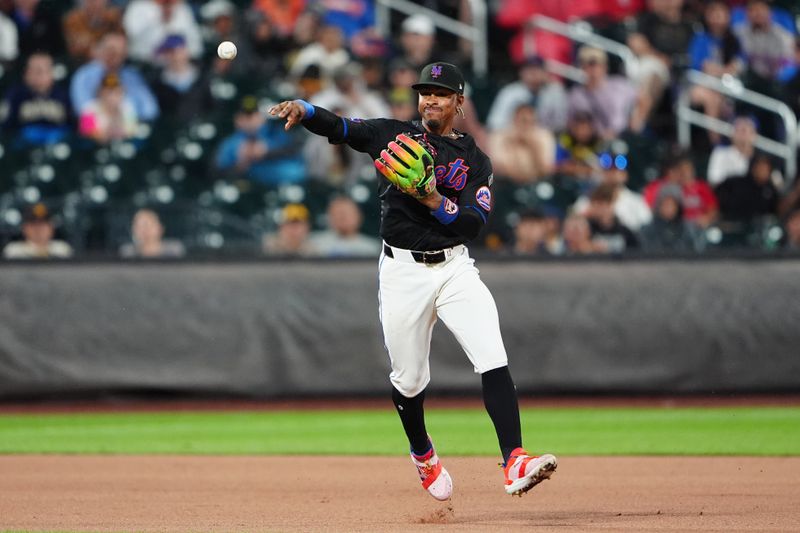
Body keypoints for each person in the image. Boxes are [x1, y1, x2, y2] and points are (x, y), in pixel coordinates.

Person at [269, 61, 557, 500]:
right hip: (402, 270)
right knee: (408, 380)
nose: (430, 99)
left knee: (491, 355)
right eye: (425, 92)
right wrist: (306, 110)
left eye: (441, 93)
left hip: (454, 266)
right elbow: (345, 128)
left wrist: (432, 198)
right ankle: (422, 451)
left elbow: (472, 225)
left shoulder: (474, 160)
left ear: (459, 102)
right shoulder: (392, 134)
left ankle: (514, 457)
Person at [215, 95, 305, 186]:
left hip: (283, 184)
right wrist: (241, 164)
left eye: (255, 115)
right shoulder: (231, 143)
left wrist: (267, 152)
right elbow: (218, 174)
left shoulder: (274, 131)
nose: (252, 120)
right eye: (247, 116)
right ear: (237, 119)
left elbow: (294, 152)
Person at [70, 31, 159, 122]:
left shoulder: (132, 76)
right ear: (102, 50)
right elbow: (82, 111)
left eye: (120, 52)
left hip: (131, 127)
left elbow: (150, 109)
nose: (114, 56)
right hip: (97, 129)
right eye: (111, 50)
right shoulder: (84, 76)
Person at [567, 46, 650, 140]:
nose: (593, 70)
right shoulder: (577, 95)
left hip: (623, 138)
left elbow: (644, 99)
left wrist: (636, 121)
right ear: (582, 67)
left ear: (604, 66)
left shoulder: (619, 85)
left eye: (596, 65)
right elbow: (571, 123)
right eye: (589, 65)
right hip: (595, 144)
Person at [1, 52, 72, 147]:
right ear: (26, 73)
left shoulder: (63, 95)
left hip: (57, 146)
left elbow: (73, 127)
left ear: (51, 73)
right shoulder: (15, 95)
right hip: (23, 149)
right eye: (33, 70)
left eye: (41, 71)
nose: (37, 75)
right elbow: (6, 127)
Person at [486, 56, 568, 133]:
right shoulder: (509, 92)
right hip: (514, 137)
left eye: (538, 69)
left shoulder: (555, 92)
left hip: (544, 139)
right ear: (521, 73)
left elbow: (562, 124)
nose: (533, 73)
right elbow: (494, 123)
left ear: (545, 72)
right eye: (529, 69)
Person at [488, 101, 555, 184]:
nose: (526, 126)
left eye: (531, 122)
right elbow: (497, 167)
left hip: (537, 183)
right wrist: (512, 144)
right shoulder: (499, 136)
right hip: (507, 183)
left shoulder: (544, 136)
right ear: (514, 119)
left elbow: (546, 170)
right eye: (523, 121)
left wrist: (533, 146)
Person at [78, 72, 140, 143]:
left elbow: (131, 131)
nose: (112, 96)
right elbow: (87, 133)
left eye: (116, 92)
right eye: (108, 92)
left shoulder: (128, 107)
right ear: (100, 92)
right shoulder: (89, 109)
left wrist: (117, 112)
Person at [308, 196, 381, 257]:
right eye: (337, 214)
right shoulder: (313, 244)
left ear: (359, 217)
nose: (342, 218)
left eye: (346, 214)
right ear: (328, 217)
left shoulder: (371, 248)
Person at [62, 0, 124, 65]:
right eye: (91, 1)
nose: (95, 3)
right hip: (82, 63)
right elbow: (75, 47)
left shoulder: (113, 16)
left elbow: (121, 40)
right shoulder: (73, 19)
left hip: (113, 61)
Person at [3, 203, 73, 259]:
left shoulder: (62, 250)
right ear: (24, 228)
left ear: (51, 228)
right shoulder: (14, 252)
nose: (38, 229)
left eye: (43, 224)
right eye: (33, 225)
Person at [706, 116, 757, 187]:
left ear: (754, 135)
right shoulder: (720, 153)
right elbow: (714, 179)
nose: (742, 135)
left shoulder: (760, 160)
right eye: (738, 130)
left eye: (744, 130)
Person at [119, 208, 185, 258]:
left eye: (147, 225)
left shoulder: (174, 250)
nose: (143, 230)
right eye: (139, 226)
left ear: (160, 228)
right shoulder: (128, 252)